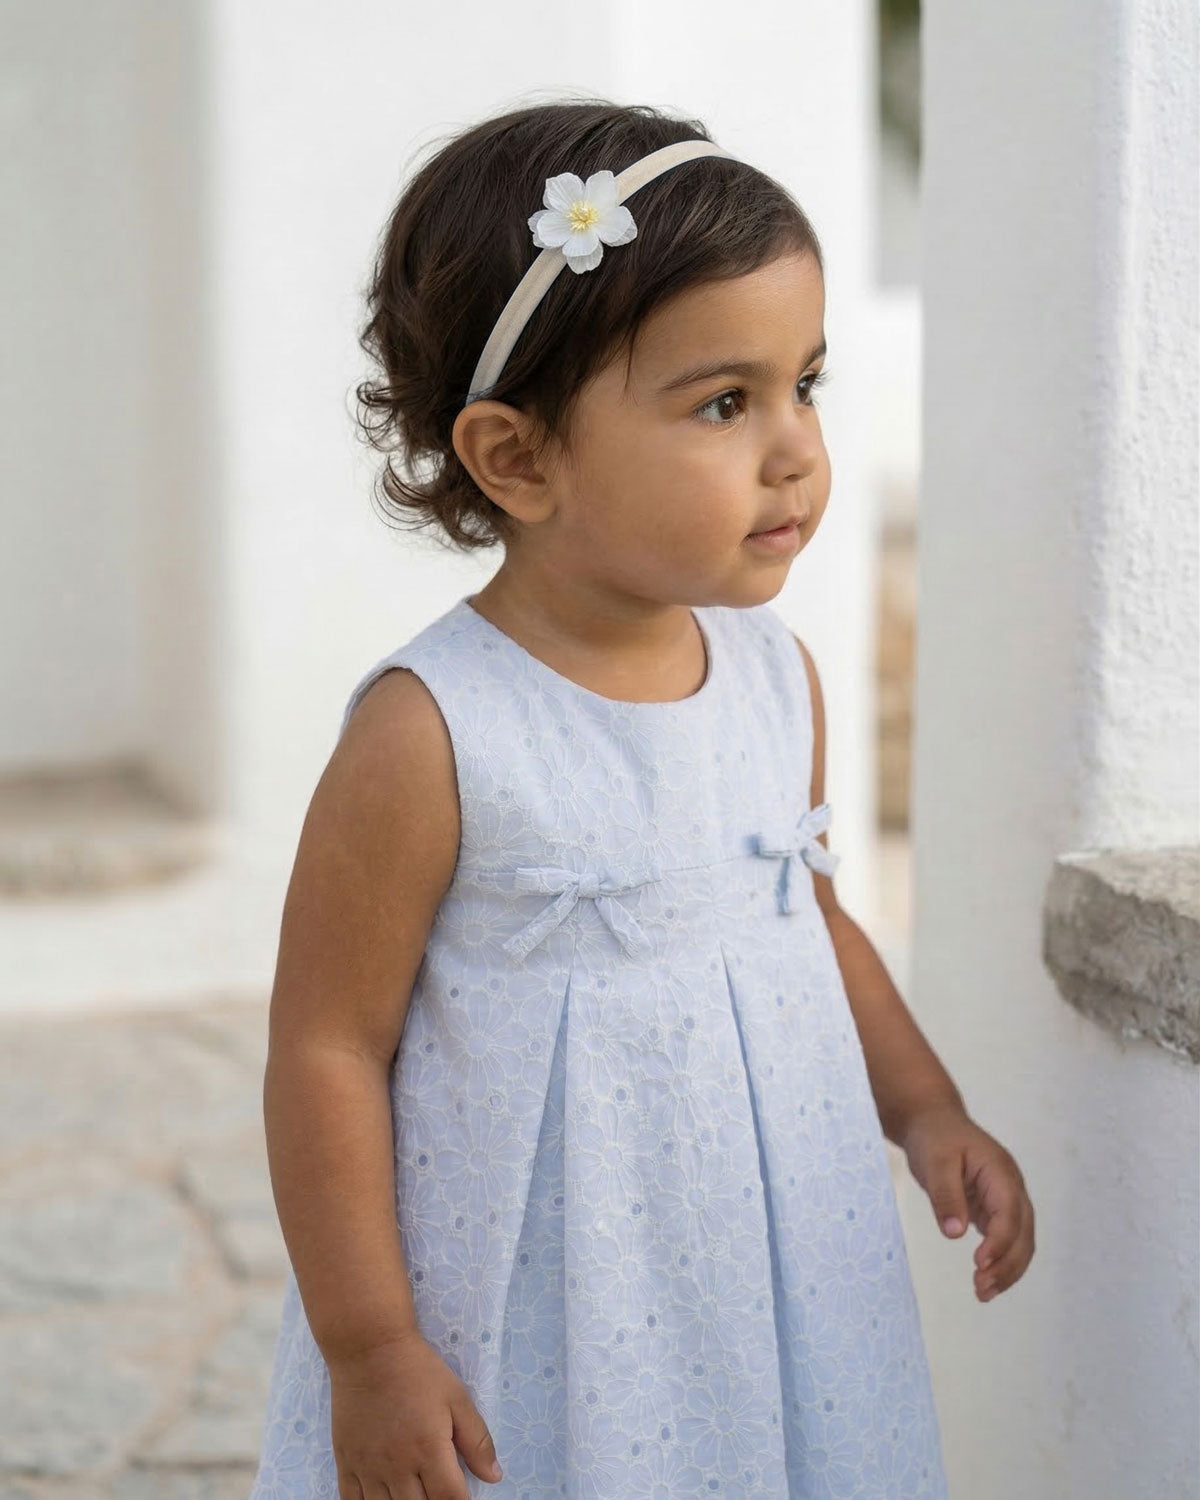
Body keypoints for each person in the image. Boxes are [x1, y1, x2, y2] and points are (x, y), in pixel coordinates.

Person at [249, 97, 1036, 1500]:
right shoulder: (435, 734)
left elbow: (809, 922)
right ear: (517, 457)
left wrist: (927, 1112)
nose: (796, 449)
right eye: (725, 403)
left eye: (807, 384)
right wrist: (370, 1346)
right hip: (549, 1289)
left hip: (766, 1255)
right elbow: (327, 1048)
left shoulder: (774, 678)